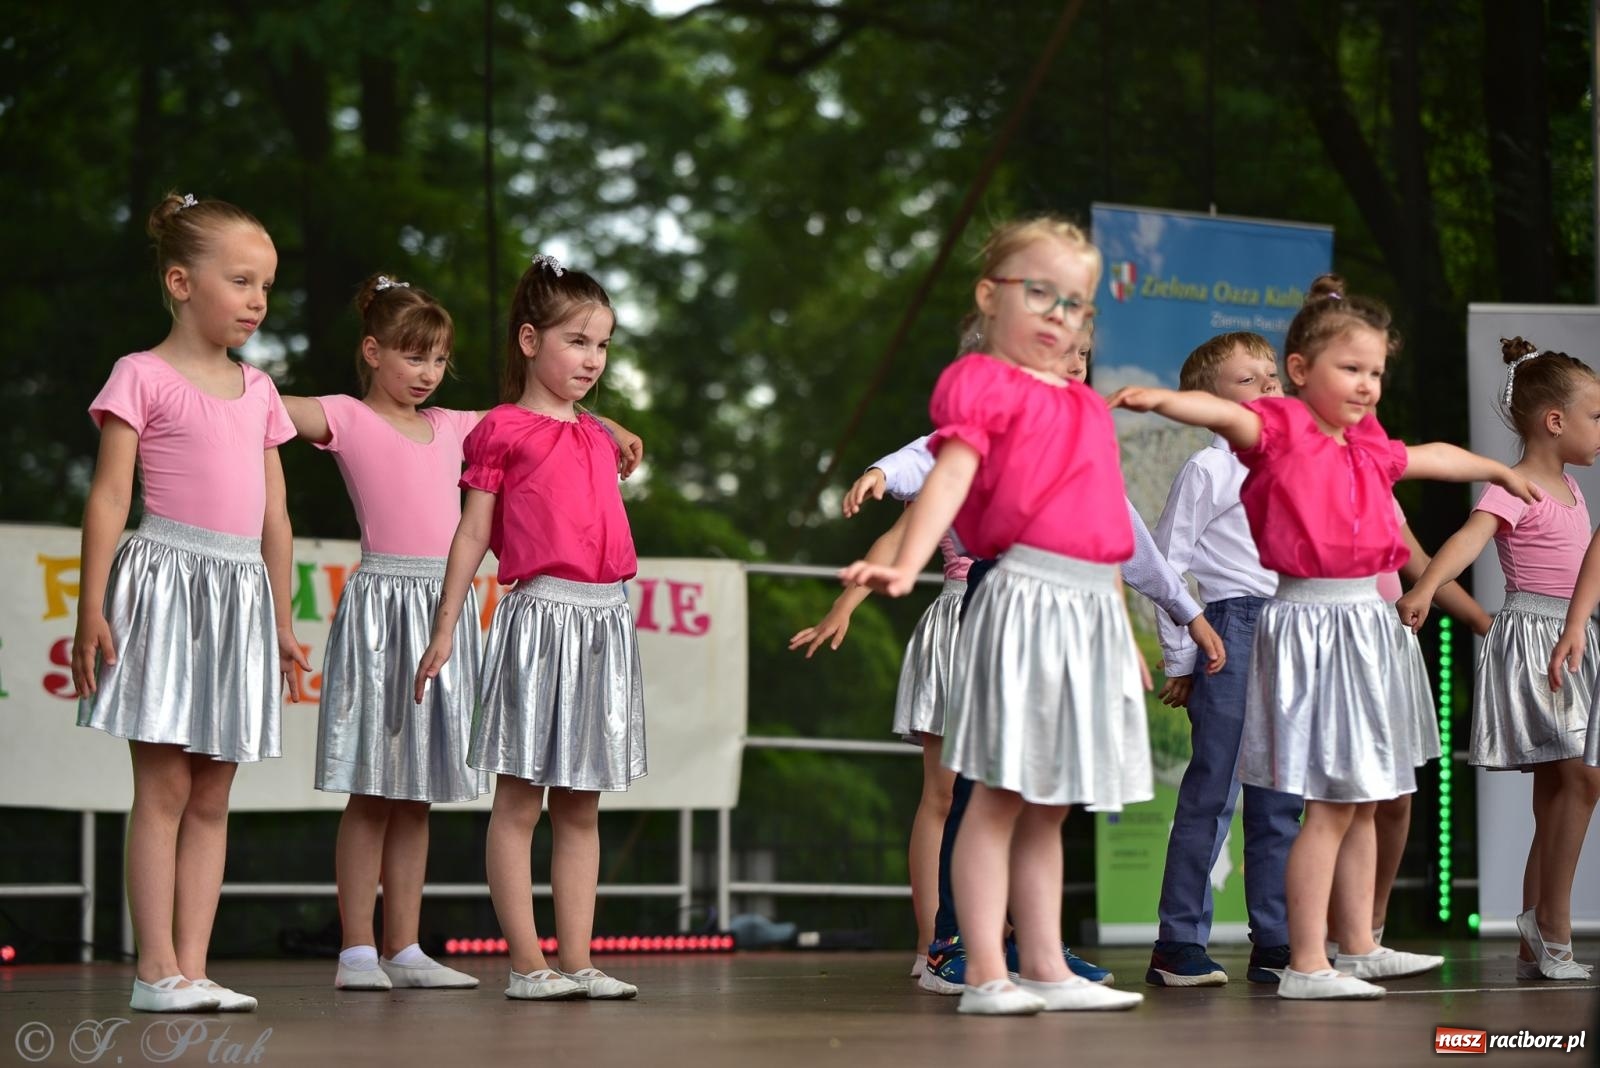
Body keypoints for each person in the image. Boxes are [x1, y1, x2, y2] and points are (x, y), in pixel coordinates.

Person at [1110, 274, 1539, 999]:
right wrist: (1161, 401)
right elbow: (1170, 550)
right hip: (1267, 621)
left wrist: (1497, 467)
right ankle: (1214, 945)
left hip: (1335, 622)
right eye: (1351, 369)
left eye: (1375, 371)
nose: (1368, 384)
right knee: (1243, 790)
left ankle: (1314, 941)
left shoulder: (1352, 446)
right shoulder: (1238, 452)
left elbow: (1430, 454)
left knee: (1322, 791)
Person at [829, 332, 1222, 990]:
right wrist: (882, 474)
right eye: (1053, 347)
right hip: (999, 602)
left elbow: (1122, 536)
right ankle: (953, 945)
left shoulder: (1086, 427)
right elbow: (933, 463)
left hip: (1070, 617)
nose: (1072, 363)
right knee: (975, 788)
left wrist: (1185, 610)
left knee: (1046, 791)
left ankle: (1038, 949)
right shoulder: (987, 424)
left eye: (1083, 351)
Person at [843, 216, 1146, 1015]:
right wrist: (904, 563)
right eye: (1038, 292)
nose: (1058, 313)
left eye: (1075, 302)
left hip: (1084, 603)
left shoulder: (1084, 407)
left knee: (1052, 801)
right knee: (1000, 793)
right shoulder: (982, 385)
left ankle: (1044, 964)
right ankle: (983, 968)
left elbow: (1106, 526)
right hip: (1021, 592)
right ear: (991, 297)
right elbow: (948, 475)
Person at [73, 192, 308, 1013]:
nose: (257, 300)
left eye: (267, 286)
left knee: (213, 793)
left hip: (239, 593)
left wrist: (281, 621)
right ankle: (155, 971)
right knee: (166, 789)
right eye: (241, 280)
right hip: (167, 584)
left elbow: (277, 517)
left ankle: (196, 968)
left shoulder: (260, 391)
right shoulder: (141, 375)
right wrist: (90, 606)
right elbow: (108, 498)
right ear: (181, 281)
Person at [414, 254, 644, 1002]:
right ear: (528, 340)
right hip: (539, 615)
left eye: (603, 345)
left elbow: (589, 432)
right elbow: (471, 535)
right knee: (521, 799)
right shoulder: (500, 431)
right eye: (576, 341)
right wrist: (446, 627)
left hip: (605, 619)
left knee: (582, 801)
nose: (592, 359)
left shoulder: (602, 436)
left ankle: (577, 959)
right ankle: (527, 964)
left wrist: (611, 424)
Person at [1418, 338, 1600, 982]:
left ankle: (1536, 934)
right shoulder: (1515, 486)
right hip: (1534, 638)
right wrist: (1424, 587)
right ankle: (1552, 927)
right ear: (1556, 421)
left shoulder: (1573, 489)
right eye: (1596, 417)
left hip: (1572, 634)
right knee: (1580, 779)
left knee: (1561, 787)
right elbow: (1467, 540)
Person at [1146, 332, 1306, 988]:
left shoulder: (1290, 461)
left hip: (1289, 630)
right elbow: (1164, 564)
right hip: (1232, 629)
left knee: (1281, 797)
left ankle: (1277, 939)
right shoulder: (1209, 470)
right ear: (1205, 403)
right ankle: (1178, 941)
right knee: (1214, 791)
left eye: (1273, 376)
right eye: (1249, 380)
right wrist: (1182, 654)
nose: (1269, 387)